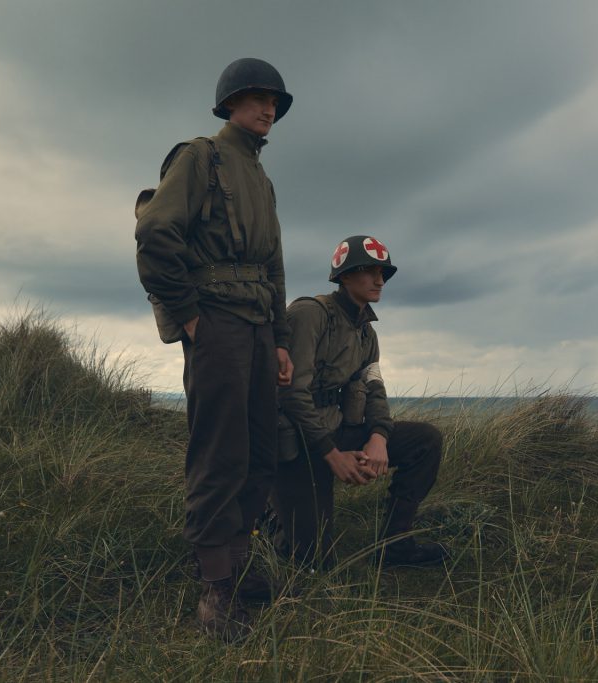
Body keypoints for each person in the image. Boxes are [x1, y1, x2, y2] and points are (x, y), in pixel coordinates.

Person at [135, 57, 295, 641]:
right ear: (230, 103)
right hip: (218, 324)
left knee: (259, 454)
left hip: (255, 327)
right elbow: (155, 234)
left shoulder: (263, 178)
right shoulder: (199, 155)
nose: (268, 108)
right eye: (256, 98)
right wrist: (189, 316)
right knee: (220, 454)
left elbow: (273, 267)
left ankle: (237, 562)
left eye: (274, 100)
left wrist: (279, 339)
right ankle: (214, 589)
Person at [273, 235, 449, 569]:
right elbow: (290, 394)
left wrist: (379, 437)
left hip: (335, 431)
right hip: (296, 440)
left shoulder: (367, 332)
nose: (379, 280)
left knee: (425, 441)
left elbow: (374, 388)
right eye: (368, 271)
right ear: (344, 275)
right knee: (313, 563)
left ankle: (396, 545)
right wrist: (332, 455)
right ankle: (272, 516)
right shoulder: (309, 314)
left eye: (382, 272)